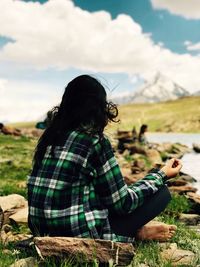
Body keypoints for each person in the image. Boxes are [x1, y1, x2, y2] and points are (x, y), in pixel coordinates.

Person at [27, 75, 182, 243]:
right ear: (99, 108)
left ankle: (138, 232)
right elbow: (123, 203)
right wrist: (161, 174)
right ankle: (136, 235)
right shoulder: (93, 140)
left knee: (98, 191)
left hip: (41, 232)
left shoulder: (49, 137)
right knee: (162, 193)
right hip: (80, 238)